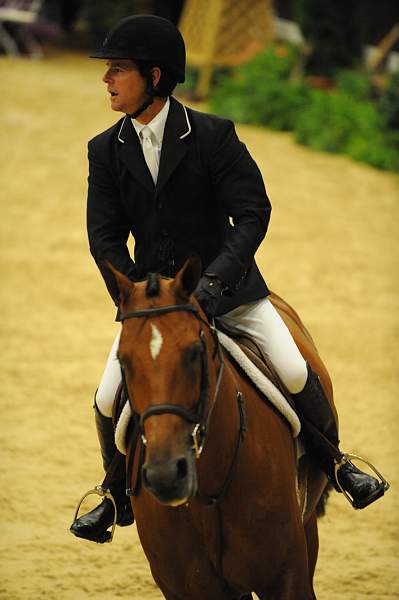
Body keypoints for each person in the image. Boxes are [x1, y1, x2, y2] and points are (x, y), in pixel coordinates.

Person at [70, 15, 386, 544]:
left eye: (117, 70)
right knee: (107, 398)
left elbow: (253, 212)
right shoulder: (104, 149)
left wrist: (213, 283)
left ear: (154, 76)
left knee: (289, 367)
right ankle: (114, 493)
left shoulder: (213, 136)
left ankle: (336, 464)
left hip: (230, 293)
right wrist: (132, 295)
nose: (106, 80)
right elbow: (103, 236)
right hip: (154, 307)